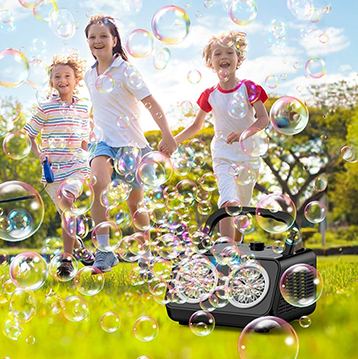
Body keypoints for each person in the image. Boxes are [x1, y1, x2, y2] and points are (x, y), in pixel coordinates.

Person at [84, 15, 177, 271]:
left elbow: (151, 103)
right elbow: (99, 108)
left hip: (131, 143)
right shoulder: (88, 75)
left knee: (135, 203)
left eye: (103, 36)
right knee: (97, 184)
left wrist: (166, 134)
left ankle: (145, 252)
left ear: (114, 40)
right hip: (103, 142)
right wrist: (88, 132)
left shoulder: (126, 70)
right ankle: (104, 251)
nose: (98, 40)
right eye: (92, 37)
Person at [172, 31, 269, 242]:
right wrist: (174, 140)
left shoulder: (249, 88)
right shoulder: (209, 95)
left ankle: (238, 244)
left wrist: (244, 133)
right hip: (223, 154)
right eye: (217, 53)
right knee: (229, 200)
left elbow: (263, 119)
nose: (223, 57)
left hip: (248, 155)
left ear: (239, 59)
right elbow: (196, 125)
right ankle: (227, 246)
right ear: (210, 62)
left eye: (229, 52)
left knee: (242, 205)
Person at [23, 54, 91, 278]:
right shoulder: (45, 108)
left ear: (76, 79)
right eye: (57, 76)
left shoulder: (83, 107)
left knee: (67, 205)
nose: (63, 80)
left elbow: (84, 139)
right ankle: (77, 246)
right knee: (67, 214)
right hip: (53, 172)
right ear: (51, 82)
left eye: (67, 76)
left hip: (77, 168)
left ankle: (66, 260)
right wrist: (39, 153)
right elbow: (28, 136)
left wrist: (94, 153)